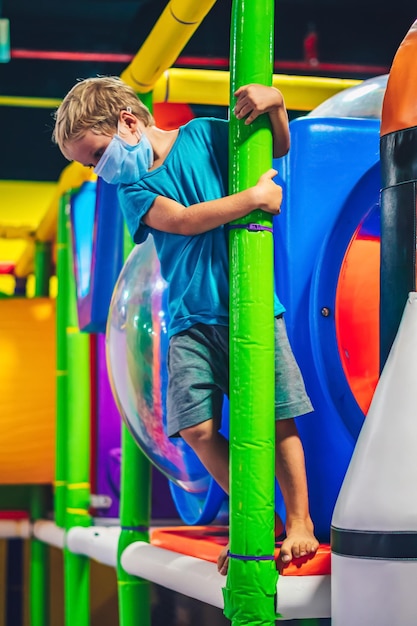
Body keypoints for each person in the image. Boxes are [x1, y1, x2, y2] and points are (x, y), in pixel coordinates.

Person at [52, 76, 319, 575]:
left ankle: (300, 522)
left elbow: (275, 147)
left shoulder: (200, 135)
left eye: (96, 158)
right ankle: (256, 517)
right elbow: (184, 220)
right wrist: (255, 199)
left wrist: (277, 106)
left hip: (252, 304)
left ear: (128, 123)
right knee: (194, 428)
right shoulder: (132, 188)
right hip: (190, 318)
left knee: (278, 415)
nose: (98, 172)